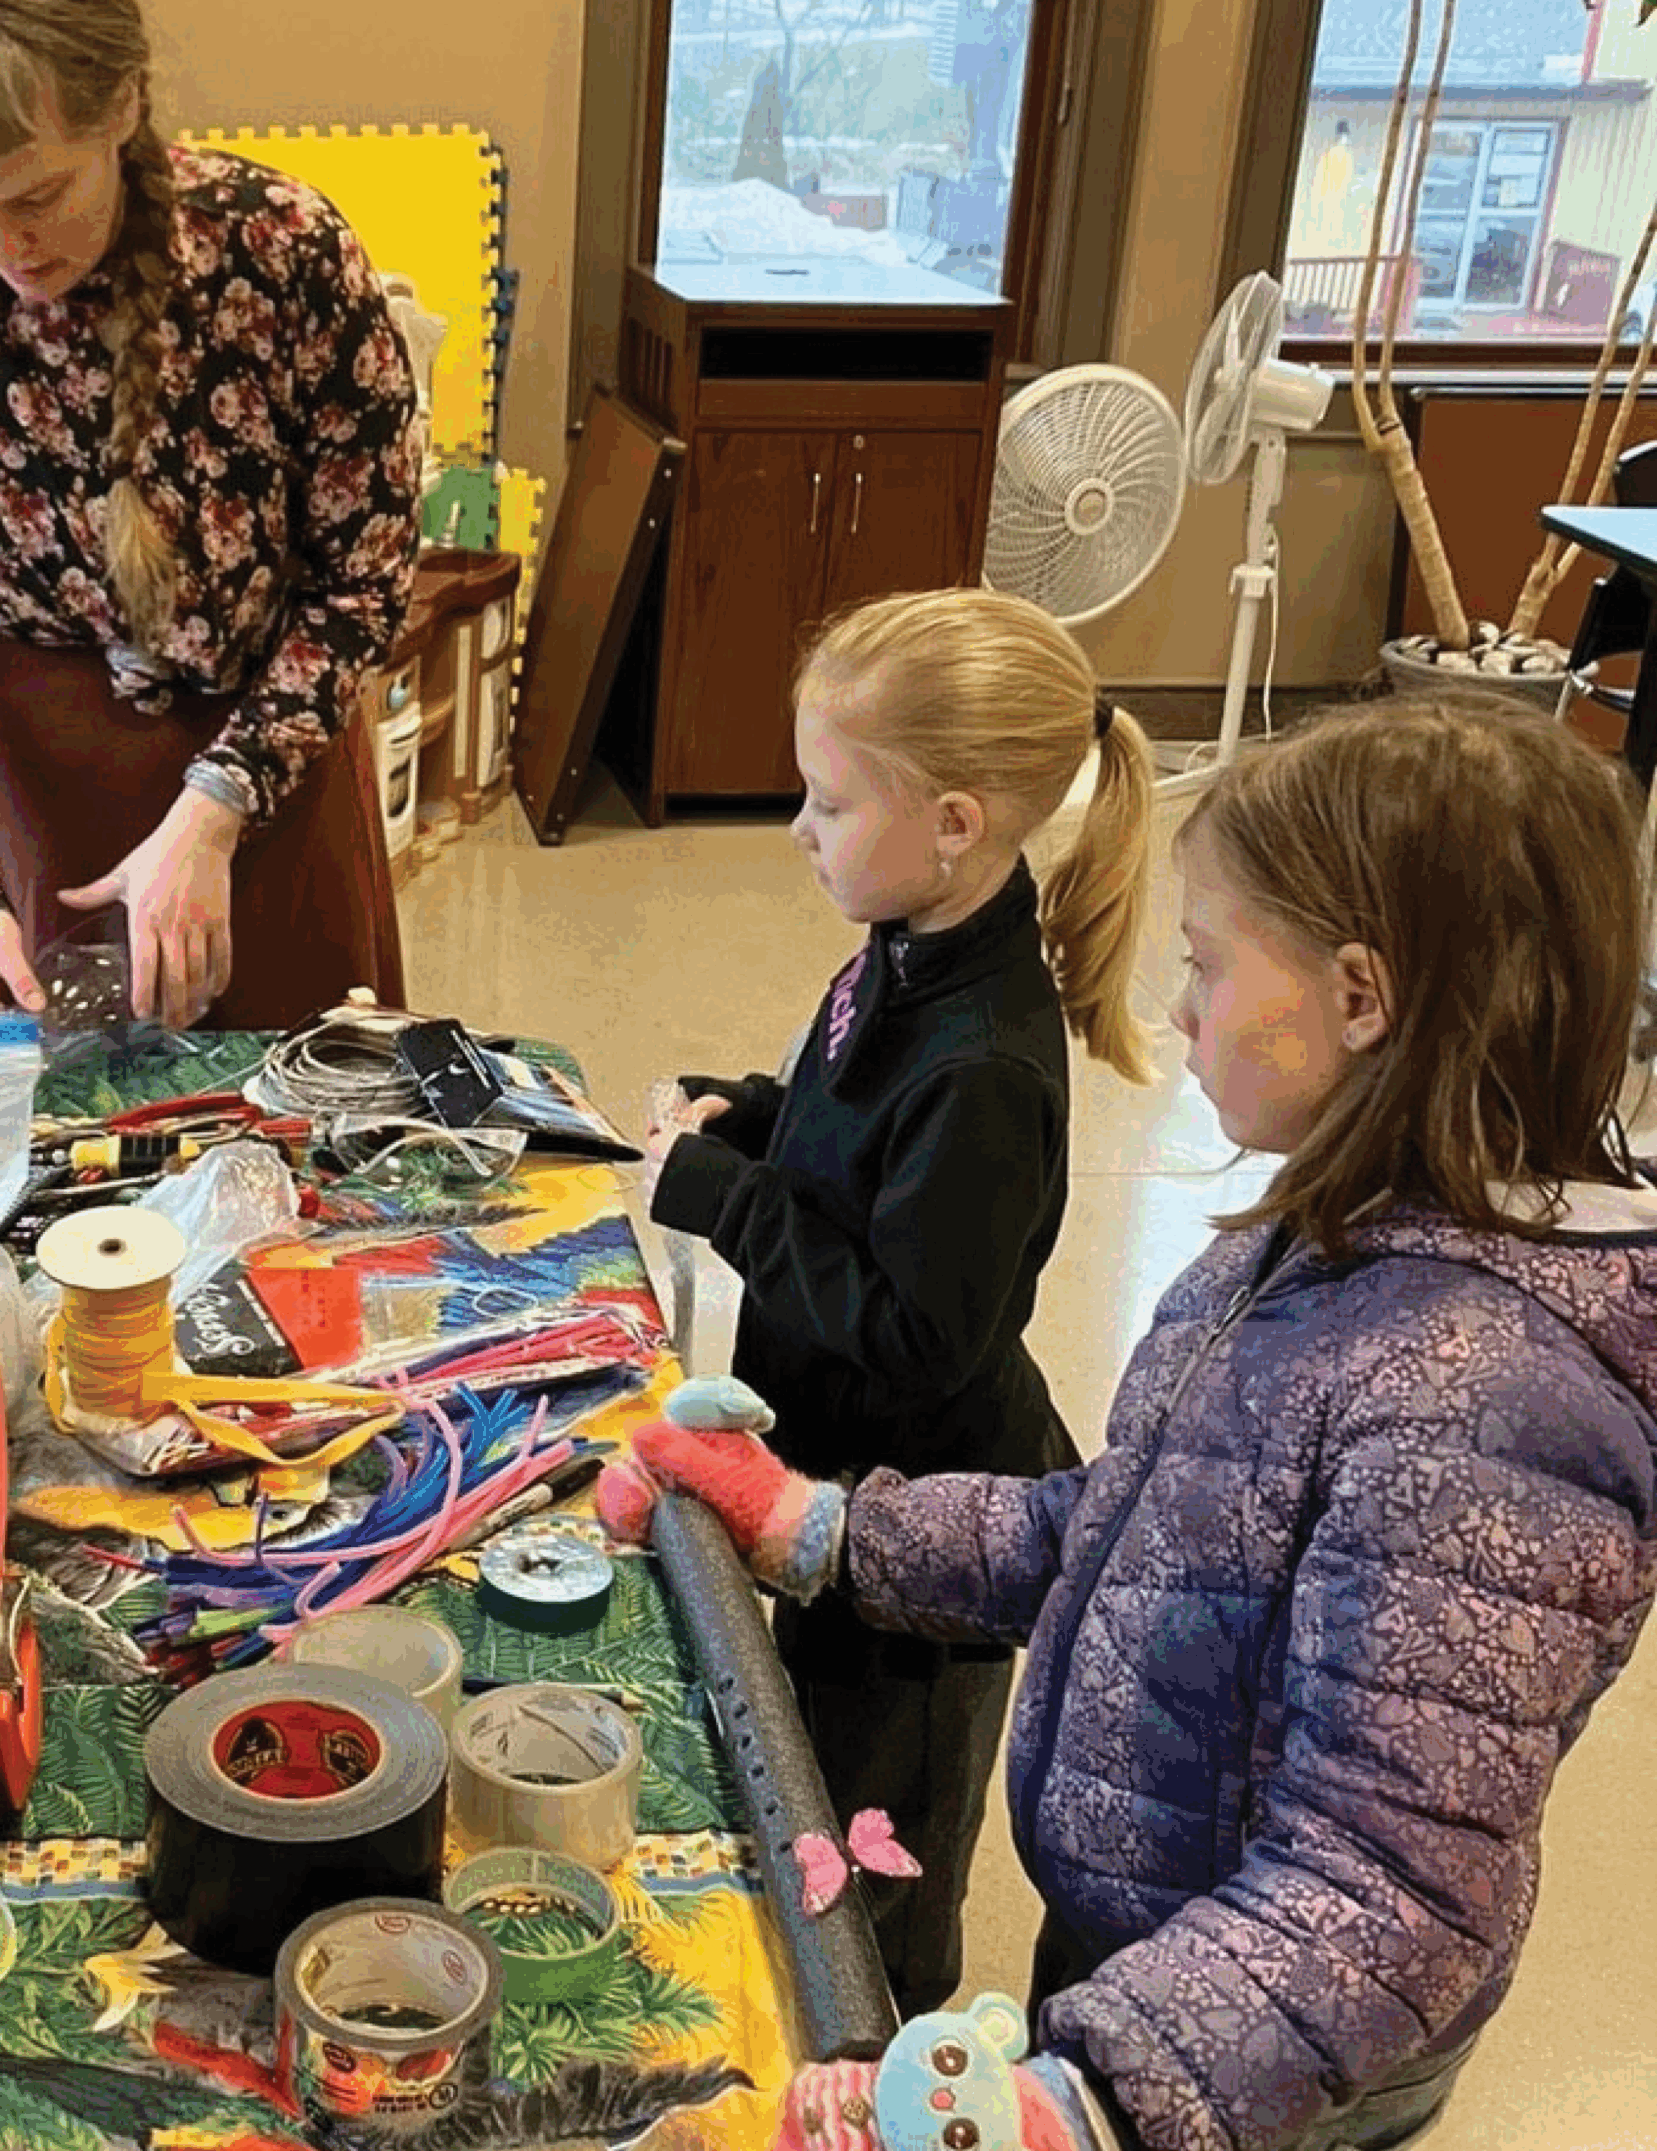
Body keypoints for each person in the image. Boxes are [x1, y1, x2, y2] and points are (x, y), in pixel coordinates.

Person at [610, 694, 1657, 2151]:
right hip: (1157, 1974)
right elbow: (1133, 1528)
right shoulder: (1320, 1238)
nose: (1177, 1010)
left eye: (1208, 965)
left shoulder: (1481, 1411)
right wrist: (822, 1525)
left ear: (1362, 997)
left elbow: (1387, 1899)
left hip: (1266, 2059)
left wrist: (1082, 2101)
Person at [641, 587, 1156, 2015]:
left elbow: (923, 1331)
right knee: (810, 1784)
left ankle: (889, 2058)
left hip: (923, 1538)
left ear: (956, 820)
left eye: (828, 799)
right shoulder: (908, 942)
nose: (800, 827)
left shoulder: (987, 1057)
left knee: (878, 1869)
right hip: (838, 1466)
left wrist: (723, 1198)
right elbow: (847, 1141)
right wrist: (751, 1114)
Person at [0, 0, 422, 1031]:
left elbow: (365, 580)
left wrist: (220, 808)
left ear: (124, 108)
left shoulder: (283, 250)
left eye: (40, 193)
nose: (4, 246)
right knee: (6, 1150)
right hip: (2, 791)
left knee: (293, 1145)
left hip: (262, 764)